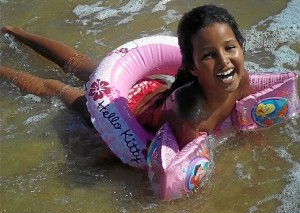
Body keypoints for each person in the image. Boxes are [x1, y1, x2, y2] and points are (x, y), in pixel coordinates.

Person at [0, 4, 250, 151]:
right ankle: (12, 40)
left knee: (81, 64)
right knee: (59, 89)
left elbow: (247, 118)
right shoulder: (188, 113)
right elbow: (186, 160)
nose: (224, 62)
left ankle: (16, 31)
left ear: (240, 46)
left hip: (151, 91)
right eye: (208, 55)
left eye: (230, 48)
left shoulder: (242, 80)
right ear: (192, 67)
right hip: (126, 111)